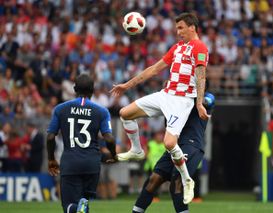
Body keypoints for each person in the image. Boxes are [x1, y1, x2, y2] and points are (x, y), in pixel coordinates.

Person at [111, 12, 209, 204]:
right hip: (166, 95)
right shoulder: (177, 47)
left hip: (182, 100)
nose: (178, 32)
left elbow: (201, 75)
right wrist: (127, 85)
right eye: (177, 28)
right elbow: (154, 69)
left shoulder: (200, 47)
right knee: (125, 113)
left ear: (192, 27)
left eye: (181, 28)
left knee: (170, 143)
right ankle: (137, 150)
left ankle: (187, 180)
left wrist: (199, 103)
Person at [132, 91, 215, 213]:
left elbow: (207, 102)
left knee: (177, 182)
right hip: (173, 146)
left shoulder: (206, 96)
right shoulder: (170, 100)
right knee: (153, 179)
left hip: (191, 144)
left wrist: (180, 96)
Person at [47, 73, 117, 213]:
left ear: (74, 89)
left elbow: (50, 137)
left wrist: (51, 159)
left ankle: (78, 207)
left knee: (69, 207)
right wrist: (113, 155)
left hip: (70, 162)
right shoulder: (102, 111)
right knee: (82, 204)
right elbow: (109, 138)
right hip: (92, 164)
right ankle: (82, 206)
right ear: (93, 89)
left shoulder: (60, 109)